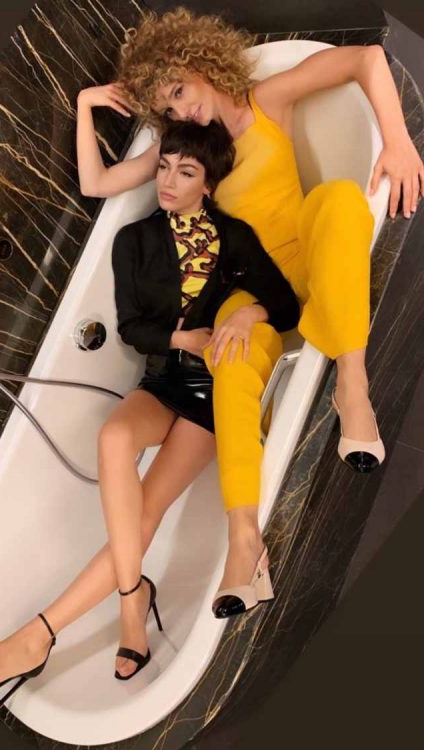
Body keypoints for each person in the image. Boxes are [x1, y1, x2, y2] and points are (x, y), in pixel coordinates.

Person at [75, 5, 424, 613]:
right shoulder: (186, 148)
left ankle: (352, 383)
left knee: (341, 200)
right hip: (253, 291)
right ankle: (244, 541)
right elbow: (96, 184)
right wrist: (85, 104)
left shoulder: (267, 101)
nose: (182, 112)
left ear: (201, 62)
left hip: (311, 256)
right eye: (167, 109)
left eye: (179, 91)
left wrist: (397, 141)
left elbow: (367, 59)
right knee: (229, 360)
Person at [0, 119, 299, 693]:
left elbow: (286, 306)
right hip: (162, 378)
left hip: (210, 394)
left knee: (145, 512)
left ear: (208, 184)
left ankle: (41, 634)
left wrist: (247, 313)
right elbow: (132, 328)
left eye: (185, 172)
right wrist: (181, 338)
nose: (168, 181)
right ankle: (132, 594)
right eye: (164, 166)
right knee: (113, 437)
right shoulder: (134, 239)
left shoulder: (234, 237)